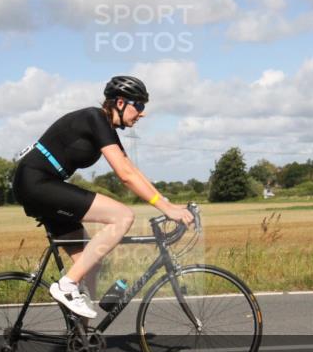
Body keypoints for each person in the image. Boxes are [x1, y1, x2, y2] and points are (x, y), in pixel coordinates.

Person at [12, 75, 195, 318]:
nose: (142, 113)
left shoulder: (105, 127)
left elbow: (131, 169)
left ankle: (82, 339)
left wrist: (167, 203)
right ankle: (66, 287)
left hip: (43, 184)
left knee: (90, 265)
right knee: (123, 216)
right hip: (36, 183)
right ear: (120, 103)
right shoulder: (95, 118)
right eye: (139, 105)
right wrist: (165, 208)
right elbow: (125, 176)